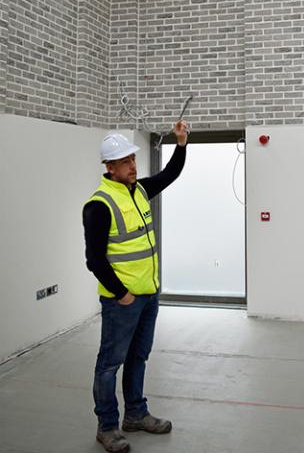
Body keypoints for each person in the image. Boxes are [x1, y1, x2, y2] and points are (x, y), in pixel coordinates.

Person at [83, 121, 188, 453]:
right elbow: (95, 260)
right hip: (122, 302)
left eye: (133, 159)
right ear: (109, 167)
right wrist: (122, 294)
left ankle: (136, 414)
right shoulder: (98, 205)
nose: (133, 165)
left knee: (138, 357)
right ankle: (107, 426)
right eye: (125, 161)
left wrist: (181, 143)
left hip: (148, 295)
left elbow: (169, 175)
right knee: (109, 363)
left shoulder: (140, 190)